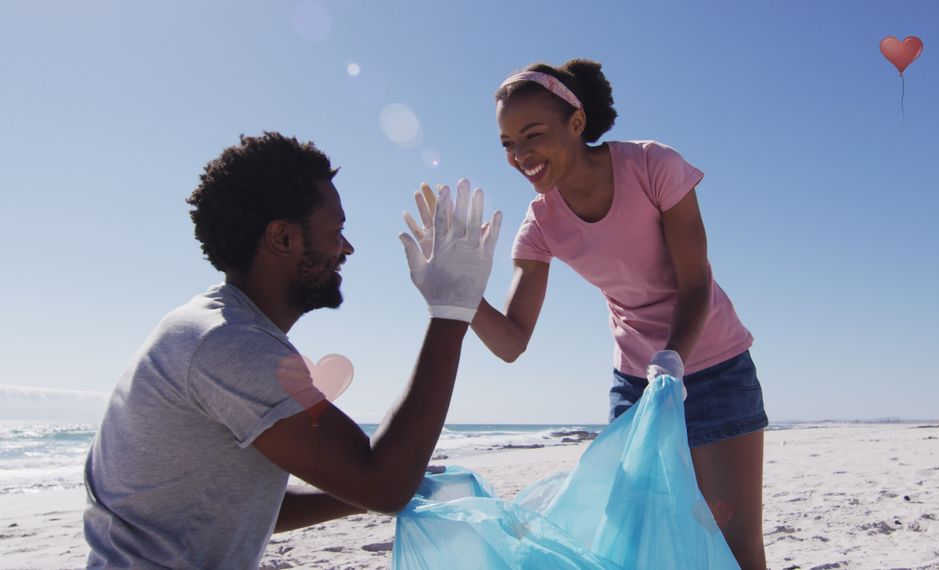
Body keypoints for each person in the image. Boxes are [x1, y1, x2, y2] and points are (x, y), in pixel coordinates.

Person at [406, 59, 767, 568]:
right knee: (633, 543)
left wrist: (673, 358)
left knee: (736, 546)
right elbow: (511, 341)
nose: (521, 155)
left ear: (575, 124)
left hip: (715, 370)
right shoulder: (540, 225)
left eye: (533, 135)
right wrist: (458, 297)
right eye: (508, 143)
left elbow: (696, 281)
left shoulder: (652, 166)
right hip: (636, 387)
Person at [83, 132, 501, 569]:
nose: (347, 248)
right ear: (283, 239)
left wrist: (373, 490)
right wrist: (451, 308)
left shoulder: (218, 328)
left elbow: (245, 506)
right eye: (337, 231)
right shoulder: (228, 344)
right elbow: (384, 485)